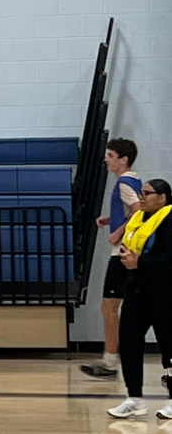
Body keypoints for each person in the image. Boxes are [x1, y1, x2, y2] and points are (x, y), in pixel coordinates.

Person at [106, 179, 172, 419]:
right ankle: (134, 397)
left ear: (162, 198)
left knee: (168, 347)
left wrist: (140, 262)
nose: (141, 197)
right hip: (136, 290)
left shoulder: (169, 220)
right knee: (129, 342)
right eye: (141, 193)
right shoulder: (136, 219)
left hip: (164, 293)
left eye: (147, 193)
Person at [83, 138, 143, 379]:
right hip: (130, 253)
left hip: (122, 253)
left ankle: (109, 362)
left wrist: (118, 232)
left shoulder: (124, 183)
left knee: (109, 308)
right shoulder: (135, 180)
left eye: (110, 155)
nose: (106, 160)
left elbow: (140, 210)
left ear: (123, 159)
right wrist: (112, 219)